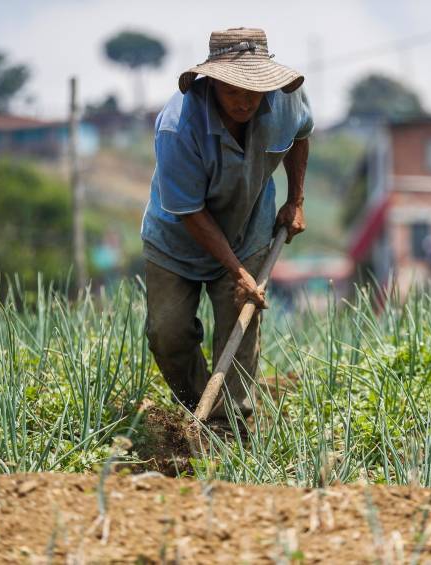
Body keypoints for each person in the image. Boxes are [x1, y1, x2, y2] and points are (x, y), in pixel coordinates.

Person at [141, 27, 312, 421]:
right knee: (167, 334)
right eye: (233, 90)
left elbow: (302, 135)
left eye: (253, 90)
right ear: (212, 82)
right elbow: (190, 213)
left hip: (249, 228)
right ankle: (198, 410)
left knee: (240, 323)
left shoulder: (285, 101)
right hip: (176, 240)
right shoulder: (178, 127)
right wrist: (236, 272)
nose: (245, 102)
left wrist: (295, 200)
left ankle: (230, 427)